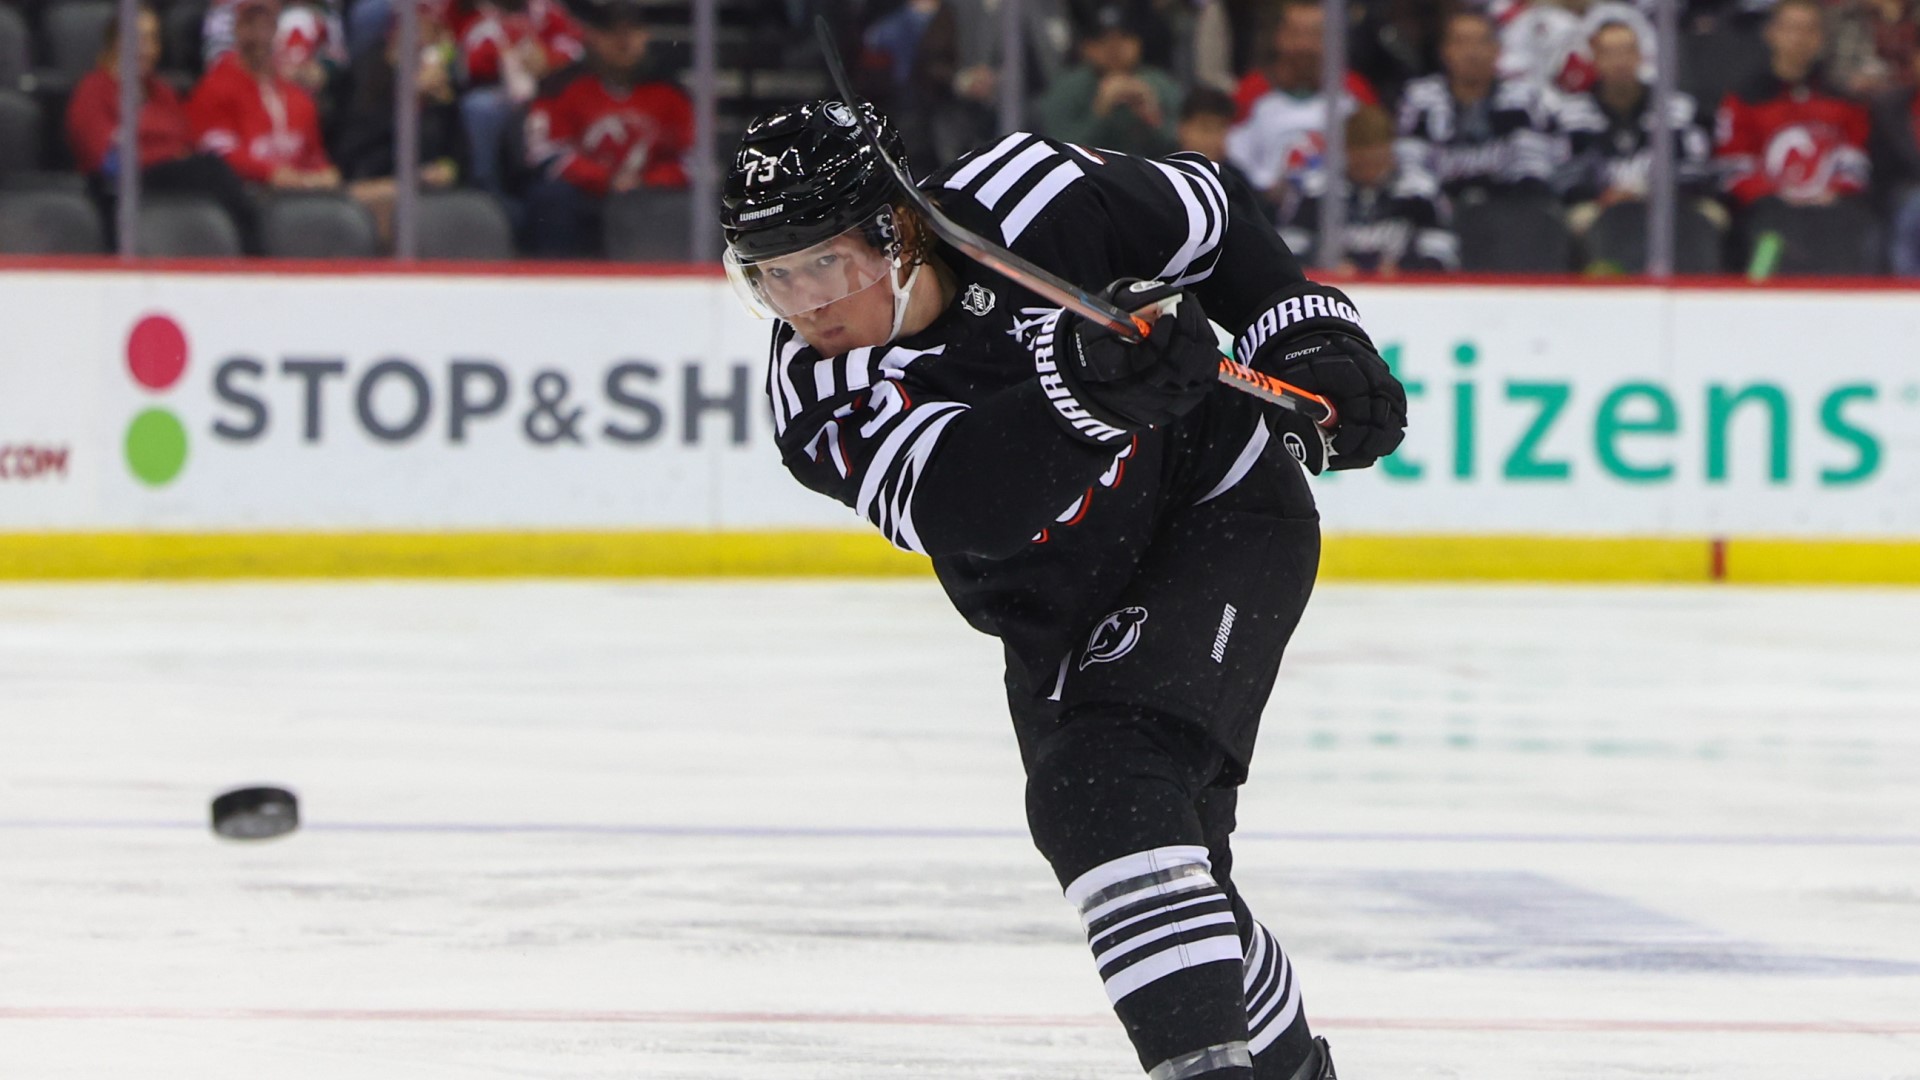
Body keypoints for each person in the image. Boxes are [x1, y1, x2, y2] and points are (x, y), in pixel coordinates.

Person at [720, 100, 1407, 1080]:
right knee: (1170, 866)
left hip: (1217, 506)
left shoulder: (1031, 196)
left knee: (1103, 794)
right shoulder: (818, 393)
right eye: (771, 277)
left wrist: (1303, 332)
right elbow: (967, 505)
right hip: (1057, 614)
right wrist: (1086, 388)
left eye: (823, 263)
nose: (805, 306)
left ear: (899, 228)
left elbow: (1213, 215)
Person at [65, 3, 261, 252]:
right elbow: (104, 158)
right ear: (117, 42)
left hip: (172, 180)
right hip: (124, 186)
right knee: (212, 172)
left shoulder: (162, 92)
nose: (147, 49)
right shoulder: (94, 91)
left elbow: (187, 143)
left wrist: (151, 143)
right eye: (140, 39)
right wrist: (162, 152)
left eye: (153, 39)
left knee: (214, 170)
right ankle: (256, 255)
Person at [522, 0, 691, 256]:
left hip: (651, 196)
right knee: (551, 198)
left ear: (645, 35)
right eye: (612, 32)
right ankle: (557, 274)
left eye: (633, 31)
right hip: (584, 197)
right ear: (592, 36)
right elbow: (546, 154)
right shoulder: (560, 87)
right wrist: (606, 180)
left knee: (689, 206)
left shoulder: (672, 92)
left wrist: (646, 182)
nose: (624, 42)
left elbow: (692, 159)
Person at [1554, 18, 1717, 237]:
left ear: (1640, 55)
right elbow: (1565, 178)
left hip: (1671, 204)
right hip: (1600, 206)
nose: (1620, 61)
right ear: (1595, 59)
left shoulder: (1676, 107)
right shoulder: (1573, 114)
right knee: (1574, 218)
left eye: (1627, 51)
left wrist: (1650, 194)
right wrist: (1604, 195)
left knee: (1711, 214)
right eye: (1610, 53)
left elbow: (1695, 170)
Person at [1715, 0, 1873, 209]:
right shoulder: (1744, 100)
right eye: (1791, 28)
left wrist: (1833, 191)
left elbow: (1855, 162)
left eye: (1810, 29)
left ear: (1821, 37)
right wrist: (1777, 197)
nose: (1800, 38)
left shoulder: (1844, 101)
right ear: (1771, 33)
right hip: (1766, 212)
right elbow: (1732, 167)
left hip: (1832, 210)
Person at [1396, 8, 1565, 204]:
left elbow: (1539, 167)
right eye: (1461, 42)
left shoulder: (1524, 99)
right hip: (1442, 206)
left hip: (1511, 206)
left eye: (1481, 42)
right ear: (1444, 50)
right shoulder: (1420, 99)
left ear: (1497, 49)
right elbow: (1410, 165)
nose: (1472, 52)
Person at [1225, 0, 1379, 213]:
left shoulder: (1355, 93)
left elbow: (1375, 156)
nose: (1304, 45)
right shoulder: (1250, 92)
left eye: (1315, 34)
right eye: (1296, 33)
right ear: (1279, 36)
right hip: (1265, 216)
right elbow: (1233, 163)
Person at [1280, 104, 1459, 275]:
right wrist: (1325, 265)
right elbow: (1290, 249)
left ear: (1390, 151)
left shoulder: (1420, 191)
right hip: (1330, 287)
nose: (1369, 171)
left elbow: (1441, 253)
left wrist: (1405, 268)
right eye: (1360, 163)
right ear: (1345, 153)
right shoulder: (1315, 191)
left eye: (1376, 162)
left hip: (1403, 290)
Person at [188, 0, 341, 192]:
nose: (259, 35)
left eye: (266, 25)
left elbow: (314, 157)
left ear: (276, 29)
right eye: (249, 24)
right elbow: (217, 153)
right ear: (236, 28)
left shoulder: (297, 97)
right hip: (242, 196)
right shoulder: (214, 88)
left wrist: (324, 172)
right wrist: (272, 174)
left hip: (298, 198)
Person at [450, 0, 583, 193]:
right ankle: (485, 184)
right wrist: (507, 56)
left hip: (550, 88)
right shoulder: (483, 18)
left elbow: (575, 48)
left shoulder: (547, 11)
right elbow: (470, 64)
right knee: (479, 106)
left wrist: (548, 58)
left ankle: (545, 183)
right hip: (500, 90)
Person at [1032, 3, 1182, 158]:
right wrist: (1099, 112)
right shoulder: (1067, 89)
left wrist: (1152, 118)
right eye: (1103, 40)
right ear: (1086, 47)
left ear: (1138, 43)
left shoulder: (1161, 84)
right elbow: (1055, 151)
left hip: (1147, 170)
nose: (1114, 48)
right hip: (1087, 172)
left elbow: (1184, 147)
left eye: (1124, 37)